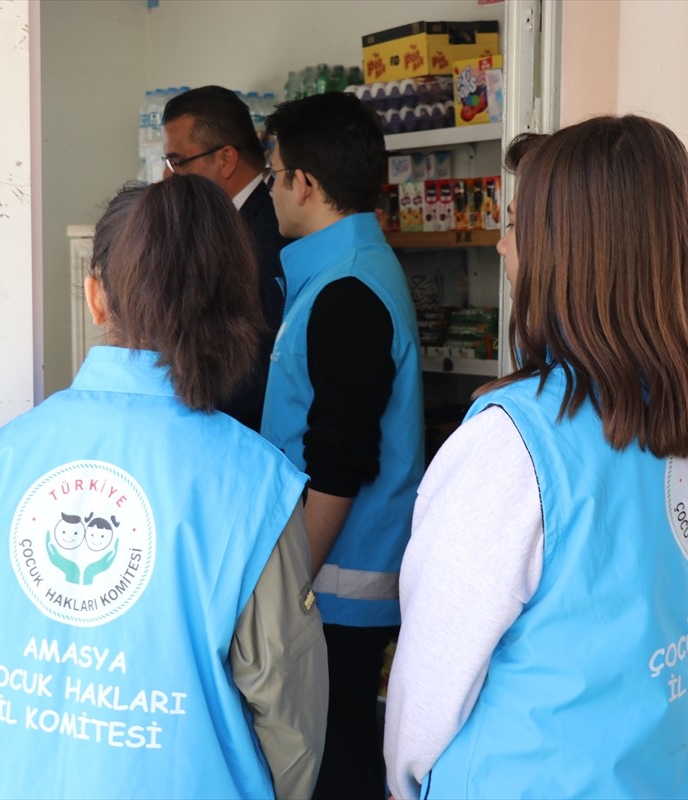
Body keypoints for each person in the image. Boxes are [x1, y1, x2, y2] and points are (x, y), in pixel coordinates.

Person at [383, 115, 688, 800]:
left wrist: (402, 784)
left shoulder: (512, 445)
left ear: (567, 253)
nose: (502, 246)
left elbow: (429, 690)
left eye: (517, 225)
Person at [0, 176, 328, 800]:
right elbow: (289, 722)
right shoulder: (253, 482)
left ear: (95, 298)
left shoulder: (0, 460)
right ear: (236, 305)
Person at [261, 92, 425, 800]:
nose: (269, 192)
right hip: (335, 589)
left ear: (304, 182)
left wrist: (284, 586)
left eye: (271, 175)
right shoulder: (347, 269)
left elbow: (339, 463)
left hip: (331, 594)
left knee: (335, 771)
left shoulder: (347, 289)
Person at [162, 85, 292, 431]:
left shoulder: (266, 232)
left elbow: (261, 362)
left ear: (225, 159)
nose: (166, 177)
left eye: (177, 162)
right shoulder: (221, 224)